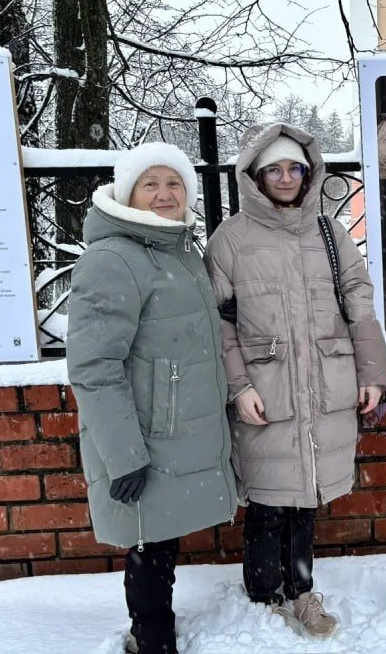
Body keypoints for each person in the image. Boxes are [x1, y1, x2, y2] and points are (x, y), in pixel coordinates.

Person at [204, 122, 386, 639]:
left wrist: (373, 373)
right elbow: (218, 324)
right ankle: (265, 596)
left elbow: (359, 303)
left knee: (307, 495)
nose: (285, 178)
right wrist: (238, 386)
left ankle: (302, 591)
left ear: (308, 174)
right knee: (268, 500)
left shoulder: (329, 233)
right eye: (274, 169)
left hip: (324, 386)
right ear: (256, 176)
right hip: (267, 392)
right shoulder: (230, 239)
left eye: (294, 168)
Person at [66, 142, 239, 654]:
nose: (165, 194)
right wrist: (123, 456)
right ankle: (152, 637)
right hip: (142, 431)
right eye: (151, 184)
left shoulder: (179, 249)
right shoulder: (112, 259)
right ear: (128, 193)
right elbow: (94, 366)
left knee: (159, 536)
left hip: (174, 425)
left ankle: (154, 631)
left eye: (174, 183)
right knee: (148, 539)